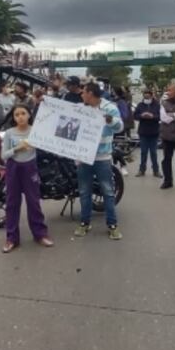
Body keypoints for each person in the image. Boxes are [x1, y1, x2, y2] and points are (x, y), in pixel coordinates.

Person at [0, 104, 54, 252]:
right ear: (13, 117)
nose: (20, 117)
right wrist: (18, 148)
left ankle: (40, 234)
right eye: (17, 115)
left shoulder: (36, 132)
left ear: (29, 115)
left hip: (30, 168)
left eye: (23, 113)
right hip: (13, 168)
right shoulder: (10, 133)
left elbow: (50, 145)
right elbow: (3, 155)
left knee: (34, 202)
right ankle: (11, 238)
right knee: (12, 204)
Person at [74, 82, 124, 240]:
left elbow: (120, 127)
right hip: (83, 156)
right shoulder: (80, 108)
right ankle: (84, 223)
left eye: (83, 93)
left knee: (108, 192)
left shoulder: (110, 108)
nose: (81, 95)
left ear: (90, 93)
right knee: (84, 192)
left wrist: (110, 121)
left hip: (102, 157)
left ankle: (112, 225)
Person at [134, 88, 160, 177]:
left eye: (148, 95)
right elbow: (135, 116)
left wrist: (152, 116)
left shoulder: (157, 105)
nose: (147, 97)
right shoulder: (140, 105)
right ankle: (142, 170)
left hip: (154, 132)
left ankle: (156, 170)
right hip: (143, 132)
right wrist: (142, 115)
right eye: (145, 95)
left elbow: (160, 116)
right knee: (143, 152)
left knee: (153, 152)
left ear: (151, 96)